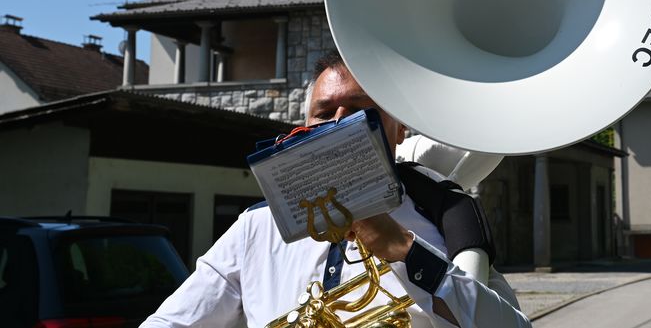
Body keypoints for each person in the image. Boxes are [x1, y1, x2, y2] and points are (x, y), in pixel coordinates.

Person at [141, 53, 531, 328]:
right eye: (325, 113)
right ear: (303, 127)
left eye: (360, 110)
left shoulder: (443, 215)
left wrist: (404, 249)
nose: (339, 123)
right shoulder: (255, 227)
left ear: (400, 129)